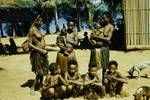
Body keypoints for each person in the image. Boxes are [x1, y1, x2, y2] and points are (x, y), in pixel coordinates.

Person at [28, 16, 49, 93]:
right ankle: (33, 87)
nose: (41, 23)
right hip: (37, 54)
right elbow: (30, 44)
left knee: (44, 71)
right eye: (40, 21)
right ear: (36, 21)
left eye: (42, 21)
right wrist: (40, 50)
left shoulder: (38, 30)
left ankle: (40, 85)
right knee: (39, 72)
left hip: (43, 53)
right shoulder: (32, 30)